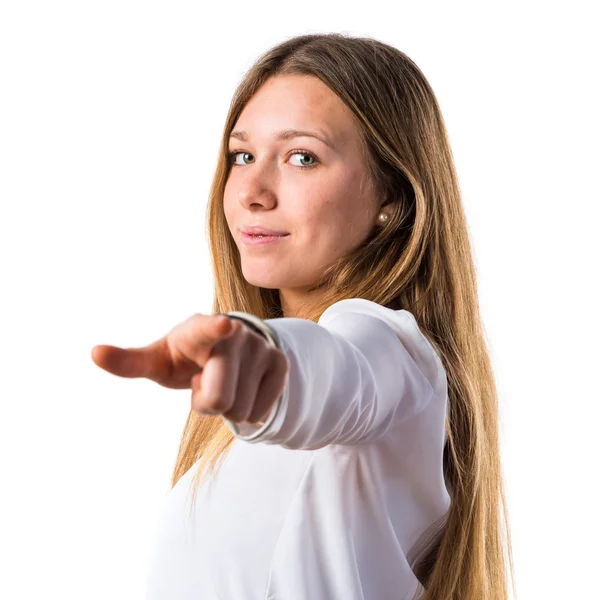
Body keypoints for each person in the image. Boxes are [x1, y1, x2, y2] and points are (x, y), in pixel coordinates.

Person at [91, 33, 515, 600]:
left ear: (391, 196)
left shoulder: (396, 356)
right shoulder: (221, 453)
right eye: (242, 155)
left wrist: (261, 361)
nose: (252, 192)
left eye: (302, 157)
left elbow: (340, 375)